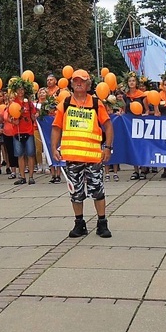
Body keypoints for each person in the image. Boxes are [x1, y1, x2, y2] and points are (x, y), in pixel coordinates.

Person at [51, 69, 114, 238]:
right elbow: (56, 127)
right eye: (76, 80)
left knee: (98, 191)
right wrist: (53, 148)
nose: (79, 83)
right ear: (71, 84)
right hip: (72, 158)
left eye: (82, 81)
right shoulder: (64, 104)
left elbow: (108, 126)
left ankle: (102, 223)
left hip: (93, 157)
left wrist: (107, 147)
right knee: (75, 193)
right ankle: (79, 223)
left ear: (88, 84)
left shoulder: (95, 103)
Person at [8, 79, 38, 185]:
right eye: (19, 89)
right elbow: (9, 117)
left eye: (22, 89)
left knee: (30, 154)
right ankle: (22, 176)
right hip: (17, 132)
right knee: (20, 155)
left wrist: (36, 115)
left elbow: (34, 115)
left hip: (28, 131)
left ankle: (31, 176)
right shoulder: (13, 103)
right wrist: (13, 120)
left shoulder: (28, 103)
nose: (20, 91)